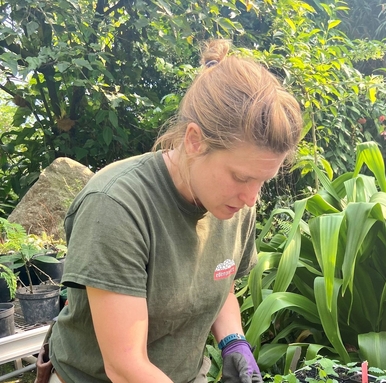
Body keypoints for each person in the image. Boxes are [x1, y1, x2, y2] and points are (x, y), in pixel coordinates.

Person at [46, 39, 302, 383]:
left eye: (263, 181)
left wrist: (233, 341)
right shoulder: (117, 205)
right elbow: (124, 366)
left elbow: (220, 284)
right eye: (242, 177)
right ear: (195, 141)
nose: (251, 198)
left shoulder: (234, 204)